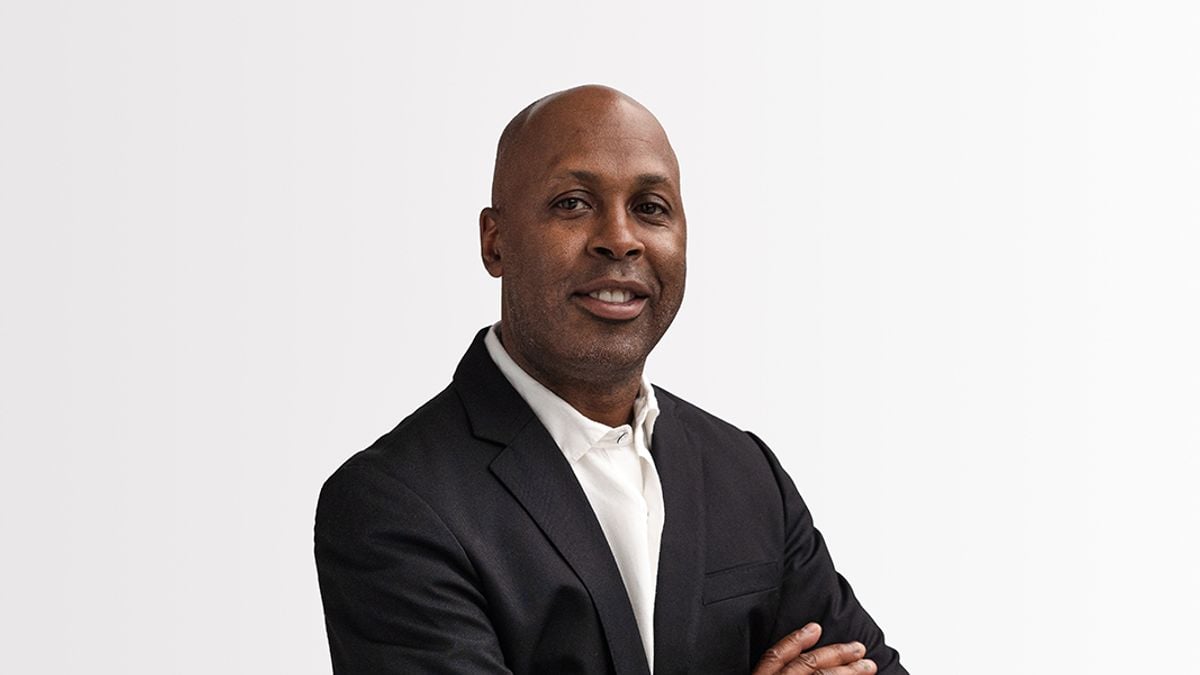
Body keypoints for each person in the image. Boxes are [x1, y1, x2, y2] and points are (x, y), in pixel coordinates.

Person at [314, 84, 907, 675]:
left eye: (650, 207)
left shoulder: (747, 474)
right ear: (495, 243)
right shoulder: (394, 503)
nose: (620, 239)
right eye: (573, 203)